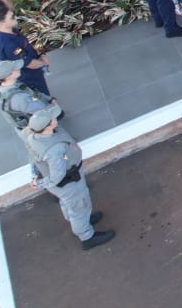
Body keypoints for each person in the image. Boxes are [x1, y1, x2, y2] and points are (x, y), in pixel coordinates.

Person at [23, 106, 115, 250]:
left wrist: (35, 176)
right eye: (52, 119)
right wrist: (40, 183)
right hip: (69, 183)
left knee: (69, 205)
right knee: (80, 206)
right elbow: (57, 176)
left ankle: (79, 221)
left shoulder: (32, 138)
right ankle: (87, 236)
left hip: (62, 184)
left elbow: (33, 159)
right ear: (48, 126)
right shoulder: (54, 149)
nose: (55, 119)